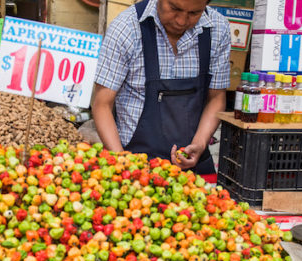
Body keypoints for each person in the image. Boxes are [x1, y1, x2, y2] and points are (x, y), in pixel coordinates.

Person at [92, 0, 231, 174]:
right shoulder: (126, 29)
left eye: (194, 14)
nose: (181, 21)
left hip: (191, 170)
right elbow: (102, 104)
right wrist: (123, 165)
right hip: (135, 166)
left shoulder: (218, 29)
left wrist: (200, 143)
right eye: (174, 8)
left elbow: (216, 98)